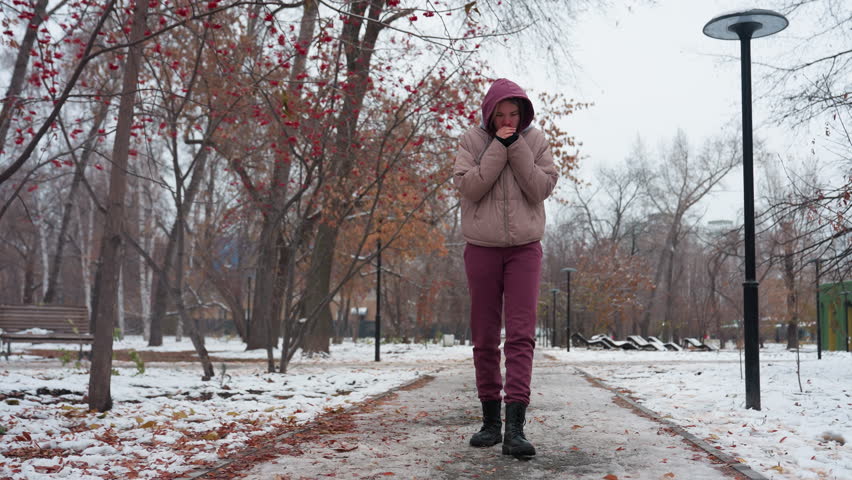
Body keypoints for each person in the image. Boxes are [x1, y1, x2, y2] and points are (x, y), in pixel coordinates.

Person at [453, 78, 558, 457]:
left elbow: (540, 188)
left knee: (520, 335)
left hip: (525, 250)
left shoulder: (537, 141)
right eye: (501, 115)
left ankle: (515, 429)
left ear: (524, 113)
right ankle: (490, 423)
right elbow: (471, 187)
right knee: (484, 336)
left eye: (514, 114)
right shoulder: (471, 141)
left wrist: (517, 148)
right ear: (489, 114)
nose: (508, 120)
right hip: (481, 248)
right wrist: (500, 146)